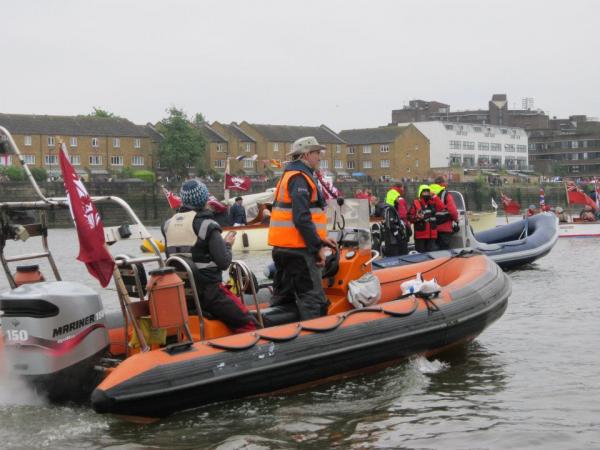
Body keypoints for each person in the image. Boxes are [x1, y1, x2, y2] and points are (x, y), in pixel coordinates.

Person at [162, 179, 257, 333]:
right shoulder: (208, 225)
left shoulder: (167, 225)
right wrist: (227, 244)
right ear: (204, 199)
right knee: (250, 324)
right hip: (210, 293)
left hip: (184, 294)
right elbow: (224, 262)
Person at [268, 136, 338, 320]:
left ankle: (279, 338)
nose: (320, 157)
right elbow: (301, 218)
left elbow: (295, 216)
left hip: (282, 249)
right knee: (314, 300)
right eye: (317, 153)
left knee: (284, 298)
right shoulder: (300, 178)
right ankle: (316, 343)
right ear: (307, 155)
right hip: (298, 251)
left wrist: (321, 239)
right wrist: (317, 248)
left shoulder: (289, 175)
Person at [408, 185, 445, 253]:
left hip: (432, 236)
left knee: (432, 256)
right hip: (420, 236)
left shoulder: (433, 202)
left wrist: (434, 196)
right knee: (420, 256)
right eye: (424, 192)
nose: (426, 194)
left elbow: (442, 207)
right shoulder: (416, 203)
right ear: (420, 193)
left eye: (428, 192)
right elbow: (409, 217)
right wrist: (418, 217)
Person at [429, 176, 459, 250]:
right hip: (444, 228)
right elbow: (453, 211)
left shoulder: (427, 194)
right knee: (444, 250)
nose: (447, 184)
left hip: (431, 228)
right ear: (441, 183)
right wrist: (456, 219)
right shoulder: (445, 194)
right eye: (445, 182)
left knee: (434, 251)